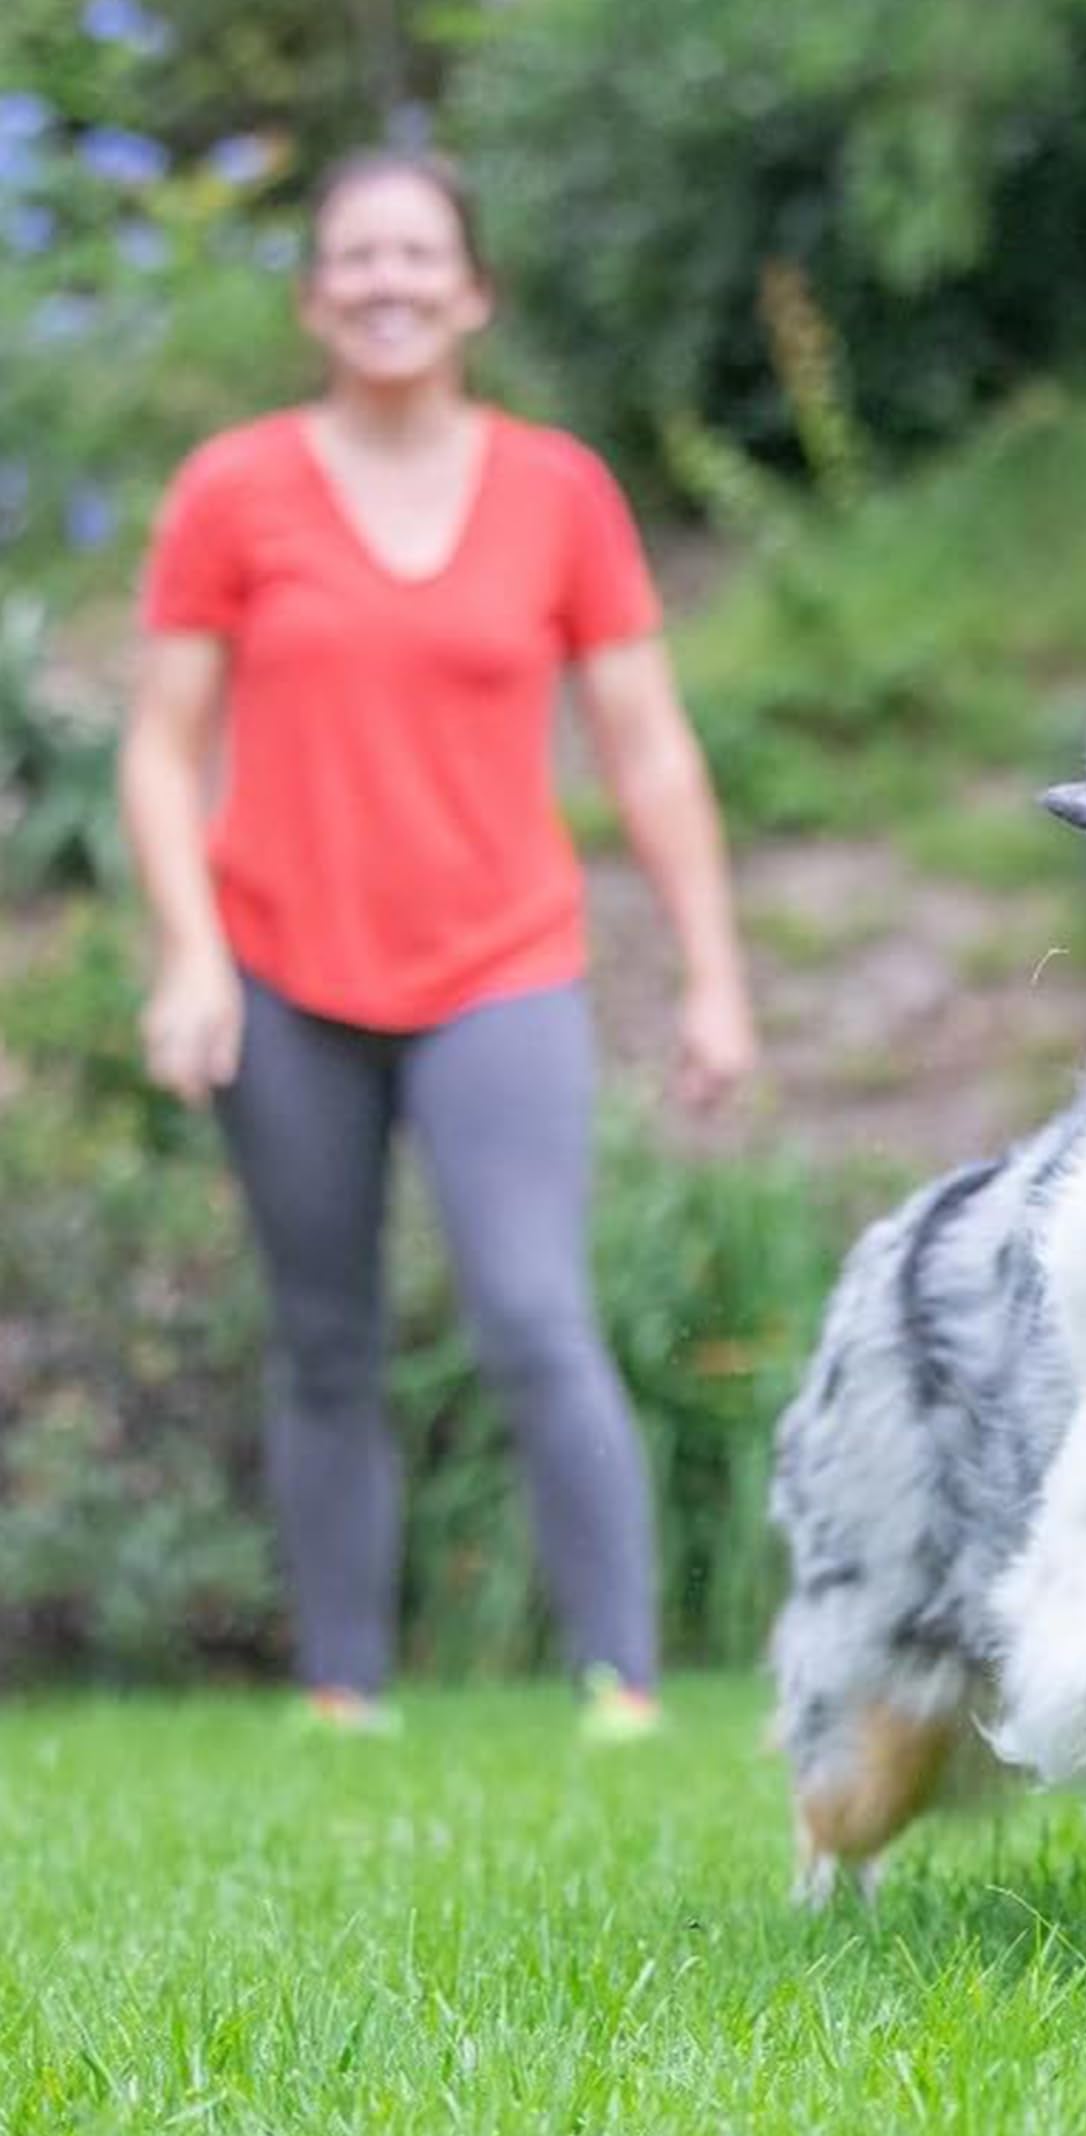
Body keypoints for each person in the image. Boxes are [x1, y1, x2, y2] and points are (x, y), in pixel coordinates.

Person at [117, 147, 759, 1739]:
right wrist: (190, 957)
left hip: (501, 967)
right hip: (280, 968)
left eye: (418, 256)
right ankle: (344, 1690)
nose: (386, 283)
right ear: (312, 297)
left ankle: (620, 1686)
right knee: (322, 1336)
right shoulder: (232, 490)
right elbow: (160, 747)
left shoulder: (559, 491)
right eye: (356, 257)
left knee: (534, 1313)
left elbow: (648, 749)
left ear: (474, 293)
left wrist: (714, 977)